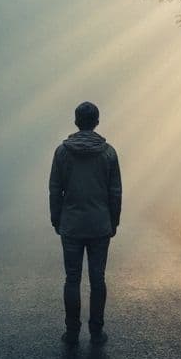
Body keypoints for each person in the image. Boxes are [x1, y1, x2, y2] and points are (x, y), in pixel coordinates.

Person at [49, 101, 122, 345]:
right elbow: (115, 191)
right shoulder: (109, 153)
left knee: (72, 278)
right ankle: (96, 330)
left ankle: (72, 331)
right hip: (100, 225)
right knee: (98, 279)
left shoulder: (62, 152)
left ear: (76, 121)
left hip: (71, 224)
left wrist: (56, 218)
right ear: (97, 122)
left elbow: (55, 189)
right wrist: (113, 221)